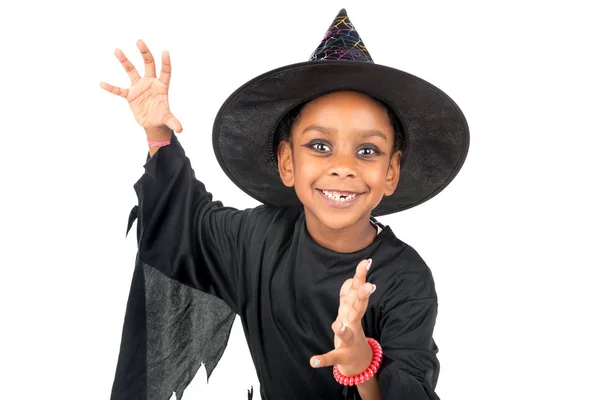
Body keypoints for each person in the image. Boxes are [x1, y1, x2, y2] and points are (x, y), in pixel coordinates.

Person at [101, 9, 469, 400]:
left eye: (367, 150)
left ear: (391, 171)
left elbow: (412, 389)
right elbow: (186, 226)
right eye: (320, 146)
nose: (343, 168)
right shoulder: (257, 239)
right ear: (287, 162)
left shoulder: (406, 279)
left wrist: (362, 364)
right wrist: (157, 134)